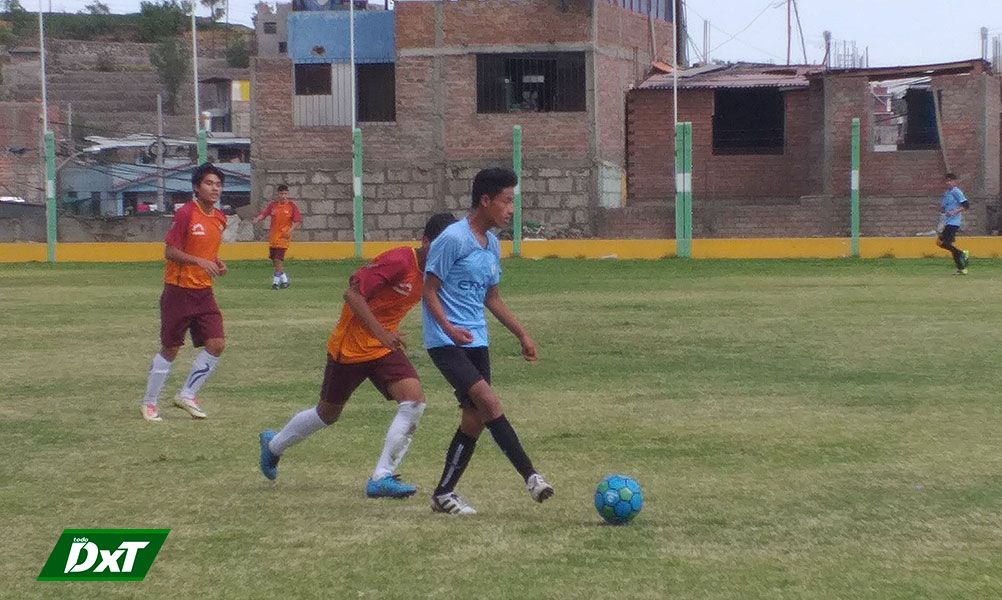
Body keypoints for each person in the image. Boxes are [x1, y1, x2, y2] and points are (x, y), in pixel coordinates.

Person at [258, 213, 459, 498]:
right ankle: (273, 446)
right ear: (426, 242)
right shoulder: (400, 260)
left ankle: (381, 477)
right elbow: (352, 295)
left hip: (382, 348)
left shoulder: (436, 271)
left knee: (413, 400)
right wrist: (381, 332)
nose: (448, 254)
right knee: (327, 414)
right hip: (350, 347)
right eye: (443, 246)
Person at [423, 167, 554, 515]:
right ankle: (532, 477)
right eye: (506, 201)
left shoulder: (492, 244)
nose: (511, 209)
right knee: (490, 404)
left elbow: (491, 297)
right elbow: (429, 291)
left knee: (475, 418)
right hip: (445, 341)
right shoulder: (452, 239)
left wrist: (522, 334)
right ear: (485, 201)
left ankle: (443, 493)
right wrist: (448, 329)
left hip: (476, 340)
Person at [140, 163, 228, 422]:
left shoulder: (220, 219)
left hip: (204, 292)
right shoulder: (186, 214)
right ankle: (149, 402)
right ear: (196, 188)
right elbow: (170, 251)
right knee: (171, 348)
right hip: (178, 291)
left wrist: (216, 262)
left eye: (218, 184)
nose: (215, 188)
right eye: (209, 183)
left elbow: (207, 252)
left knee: (217, 344)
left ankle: (187, 394)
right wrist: (198, 262)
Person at [253, 184, 302, 289]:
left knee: (277, 259)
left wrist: (290, 230)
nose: (283, 196)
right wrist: (258, 219)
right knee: (274, 260)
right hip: (273, 237)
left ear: (287, 194)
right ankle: (284, 280)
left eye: (285, 193)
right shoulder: (273, 205)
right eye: (281, 193)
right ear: (278, 194)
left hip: (284, 237)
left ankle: (275, 283)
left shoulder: (291, 206)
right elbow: (264, 214)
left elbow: (297, 220)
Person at [937, 173, 970, 275]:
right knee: (941, 243)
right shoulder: (947, 193)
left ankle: (962, 258)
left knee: (944, 243)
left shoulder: (956, 192)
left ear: (955, 182)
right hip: (947, 222)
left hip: (953, 222)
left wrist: (955, 211)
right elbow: (943, 207)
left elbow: (966, 205)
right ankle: (961, 263)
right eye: (947, 181)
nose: (948, 183)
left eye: (950, 181)